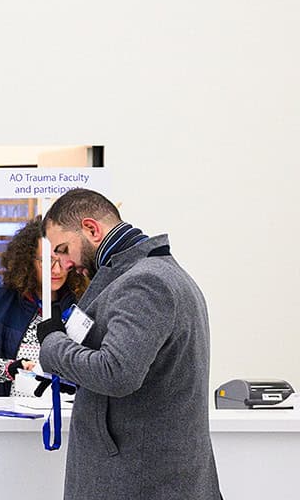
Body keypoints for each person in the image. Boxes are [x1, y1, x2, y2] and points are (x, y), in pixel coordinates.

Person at [36, 189, 220, 499]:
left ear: (92, 229)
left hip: (141, 480)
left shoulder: (146, 281)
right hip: (146, 474)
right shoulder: (154, 273)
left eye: (64, 249)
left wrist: (53, 344)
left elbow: (117, 372)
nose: (64, 264)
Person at [0, 218, 87, 397]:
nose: (57, 270)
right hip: (1, 416)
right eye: (47, 261)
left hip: (59, 417)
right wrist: (7, 368)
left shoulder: (81, 306)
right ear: (27, 262)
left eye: (63, 261)